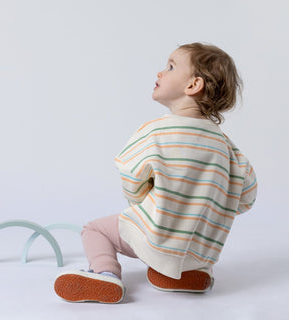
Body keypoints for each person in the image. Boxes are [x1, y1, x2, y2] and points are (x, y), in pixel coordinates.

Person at [54, 42, 257, 303]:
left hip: (156, 238)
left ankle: (105, 273)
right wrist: (210, 207)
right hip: (200, 251)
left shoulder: (156, 132)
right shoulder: (227, 146)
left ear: (193, 85)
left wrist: (143, 201)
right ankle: (184, 274)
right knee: (186, 246)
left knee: (95, 230)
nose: (160, 73)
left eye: (170, 66)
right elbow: (246, 196)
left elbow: (131, 181)